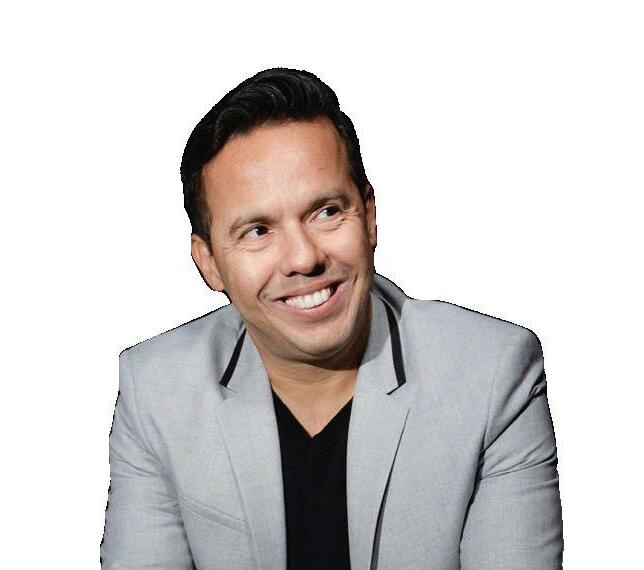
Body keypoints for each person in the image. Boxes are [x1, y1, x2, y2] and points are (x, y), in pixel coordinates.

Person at [101, 68, 564, 569]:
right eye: (257, 231)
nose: (303, 258)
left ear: (369, 216)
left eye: (325, 212)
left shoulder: (491, 373)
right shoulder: (156, 389)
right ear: (209, 262)